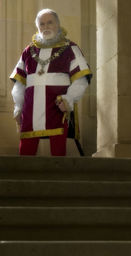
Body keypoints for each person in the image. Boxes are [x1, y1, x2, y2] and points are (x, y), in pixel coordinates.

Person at [10, 8, 92, 156]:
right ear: (38, 27)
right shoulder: (29, 51)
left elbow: (81, 79)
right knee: (25, 152)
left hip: (57, 106)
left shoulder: (70, 48)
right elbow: (20, 83)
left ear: (58, 24)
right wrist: (18, 106)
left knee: (58, 152)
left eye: (50, 23)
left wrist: (69, 99)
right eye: (42, 24)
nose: (46, 27)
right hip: (30, 108)